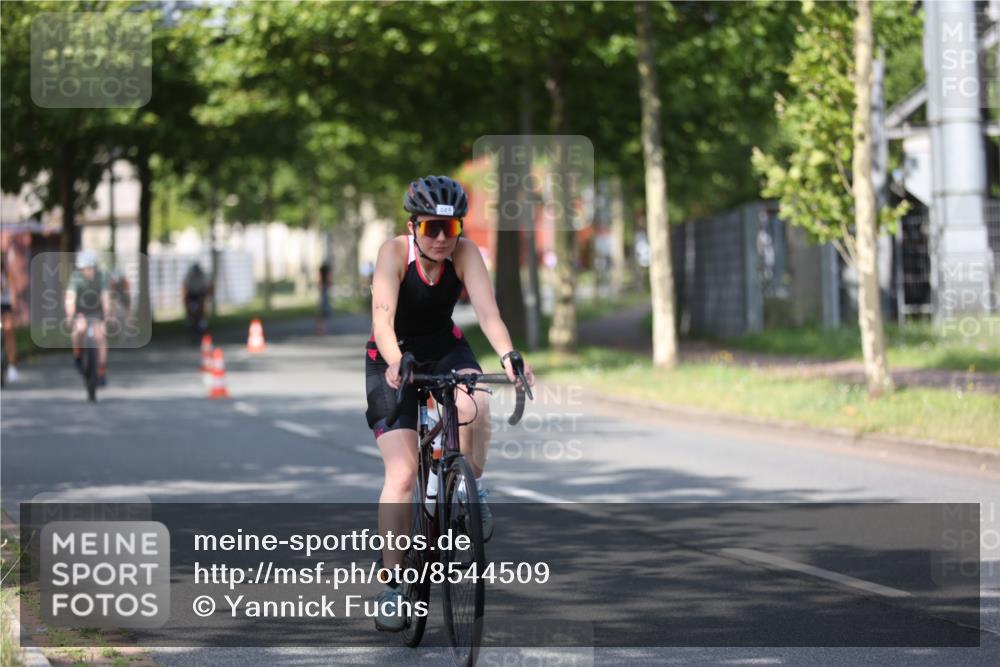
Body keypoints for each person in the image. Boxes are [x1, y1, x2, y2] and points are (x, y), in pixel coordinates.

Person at [365, 175, 535, 631]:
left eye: (451, 229)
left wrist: (509, 356)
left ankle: (471, 487)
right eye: (430, 229)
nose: (441, 238)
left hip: (444, 346)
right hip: (393, 354)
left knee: (475, 399)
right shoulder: (392, 254)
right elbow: (382, 320)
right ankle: (394, 584)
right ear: (412, 227)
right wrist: (398, 361)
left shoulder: (464, 253)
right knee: (401, 474)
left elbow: (488, 313)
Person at [65, 250, 111, 385]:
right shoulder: (76, 277)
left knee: (100, 336)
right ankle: (78, 355)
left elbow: (105, 296)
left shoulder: (101, 277)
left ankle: (101, 370)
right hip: (81, 310)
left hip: (97, 311)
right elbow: (70, 297)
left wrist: (107, 314)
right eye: (84, 269)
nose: (87, 271)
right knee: (79, 329)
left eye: (89, 268)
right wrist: (70, 315)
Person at [1, 249, 19, 383]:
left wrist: (13, 305)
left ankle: (12, 365)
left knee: (8, 331)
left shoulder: (7, 273)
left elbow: (13, 291)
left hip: (5, 305)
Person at [182, 262, 211, 340]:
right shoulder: (189, 276)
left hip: (200, 293)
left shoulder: (203, 275)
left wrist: (206, 296)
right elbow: (185, 287)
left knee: (201, 305)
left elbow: (207, 288)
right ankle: (189, 318)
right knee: (186, 301)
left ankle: (202, 321)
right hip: (191, 294)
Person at [315, 260, 332, 334]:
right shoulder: (326, 274)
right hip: (324, 293)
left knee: (321, 313)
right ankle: (321, 329)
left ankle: (321, 328)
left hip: (323, 292)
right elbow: (329, 280)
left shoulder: (322, 274)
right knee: (322, 313)